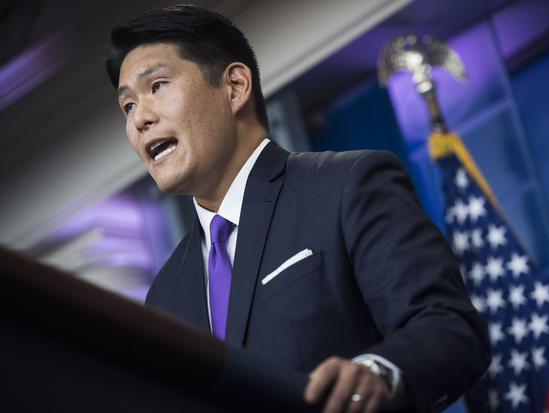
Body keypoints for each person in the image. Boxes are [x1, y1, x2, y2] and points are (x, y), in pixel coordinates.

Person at [105, 5, 490, 412]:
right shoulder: (165, 295)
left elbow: (450, 326)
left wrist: (378, 373)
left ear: (235, 86)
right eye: (127, 106)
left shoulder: (347, 184)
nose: (139, 119)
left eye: (157, 86)